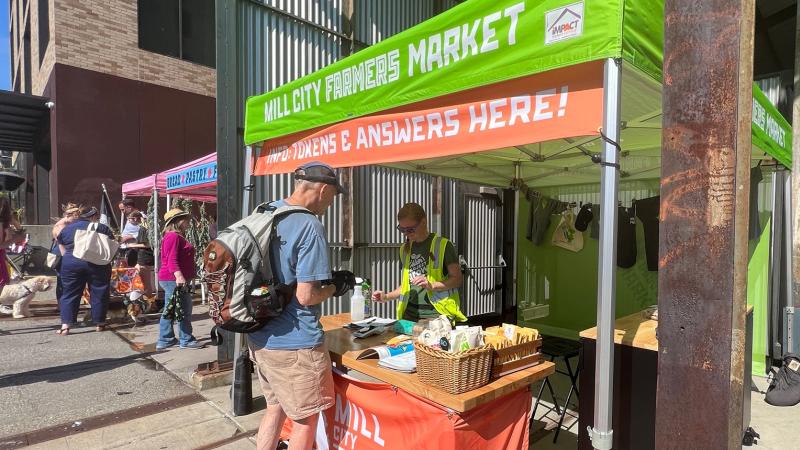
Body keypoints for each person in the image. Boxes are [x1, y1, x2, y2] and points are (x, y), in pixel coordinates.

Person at [247, 161, 353, 450]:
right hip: (295, 344)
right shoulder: (309, 224)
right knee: (306, 421)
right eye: (333, 196)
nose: (331, 203)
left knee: (275, 408)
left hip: (259, 334)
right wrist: (334, 287)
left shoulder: (266, 211)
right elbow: (306, 296)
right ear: (322, 189)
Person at [372, 202, 466, 323]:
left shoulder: (443, 246)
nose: (406, 233)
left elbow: (457, 279)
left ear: (423, 222)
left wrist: (432, 285)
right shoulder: (404, 250)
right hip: (409, 315)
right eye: (402, 229)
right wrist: (386, 297)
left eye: (410, 229)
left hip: (436, 315)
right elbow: (406, 285)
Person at [56, 206, 114, 335]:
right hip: (98, 263)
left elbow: (61, 245)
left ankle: (66, 325)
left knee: (69, 292)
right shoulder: (101, 228)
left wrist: (68, 259)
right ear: (92, 217)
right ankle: (100, 323)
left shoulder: (67, 229)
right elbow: (111, 244)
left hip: (71, 263)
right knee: (99, 291)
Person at [156, 208, 203, 350]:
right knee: (182, 308)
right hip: (173, 278)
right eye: (186, 219)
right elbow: (172, 259)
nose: (189, 221)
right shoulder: (173, 236)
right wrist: (179, 275)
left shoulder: (174, 236)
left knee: (171, 308)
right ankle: (185, 339)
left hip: (173, 278)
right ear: (178, 221)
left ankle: (166, 339)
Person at [51, 203, 83, 304]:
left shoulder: (66, 224)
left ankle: (63, 303)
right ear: (68, 215)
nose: (75, 221)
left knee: (63, 279)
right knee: (62, 279)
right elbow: (62, 243)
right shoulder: (60, 226)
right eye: (74, 219)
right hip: (61, 253)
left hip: (65, 252)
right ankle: (61, 303)